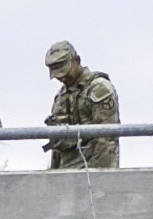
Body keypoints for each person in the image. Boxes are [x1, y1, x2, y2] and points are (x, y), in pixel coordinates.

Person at [43, 41, 121, 169]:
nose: (62, 78)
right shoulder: (61, 96)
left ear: (77, 60)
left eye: (65, 71)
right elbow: (57, 146)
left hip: (90, 172)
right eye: (58, 75)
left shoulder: (98, 88)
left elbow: (106, 139)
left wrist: (101, 177)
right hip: (65, 174)